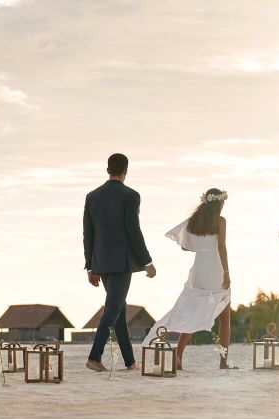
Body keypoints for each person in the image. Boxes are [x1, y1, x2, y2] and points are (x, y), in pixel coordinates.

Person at [143, 188, 235, 369]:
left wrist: (202, 246)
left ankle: (178, 356)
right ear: (219, 203)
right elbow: (222, 247)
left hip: (200, 270)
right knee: (225, 319)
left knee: (193, 313)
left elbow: (185, 247)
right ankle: (223, 362)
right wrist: (226, 272)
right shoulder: (220, 221)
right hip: (215, 268)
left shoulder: (196, 221)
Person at [83, 153, 156, 372]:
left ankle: (130, 362)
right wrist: (147, 261)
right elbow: (134, 230)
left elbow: (88, 233)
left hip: (101, 262)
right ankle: (94, 357)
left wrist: (90, 266)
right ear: (126, 169)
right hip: (121, 262)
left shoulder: (92, 196)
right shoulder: (131, 195)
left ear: (107, 169)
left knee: (119, 311)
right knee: (113, 308)